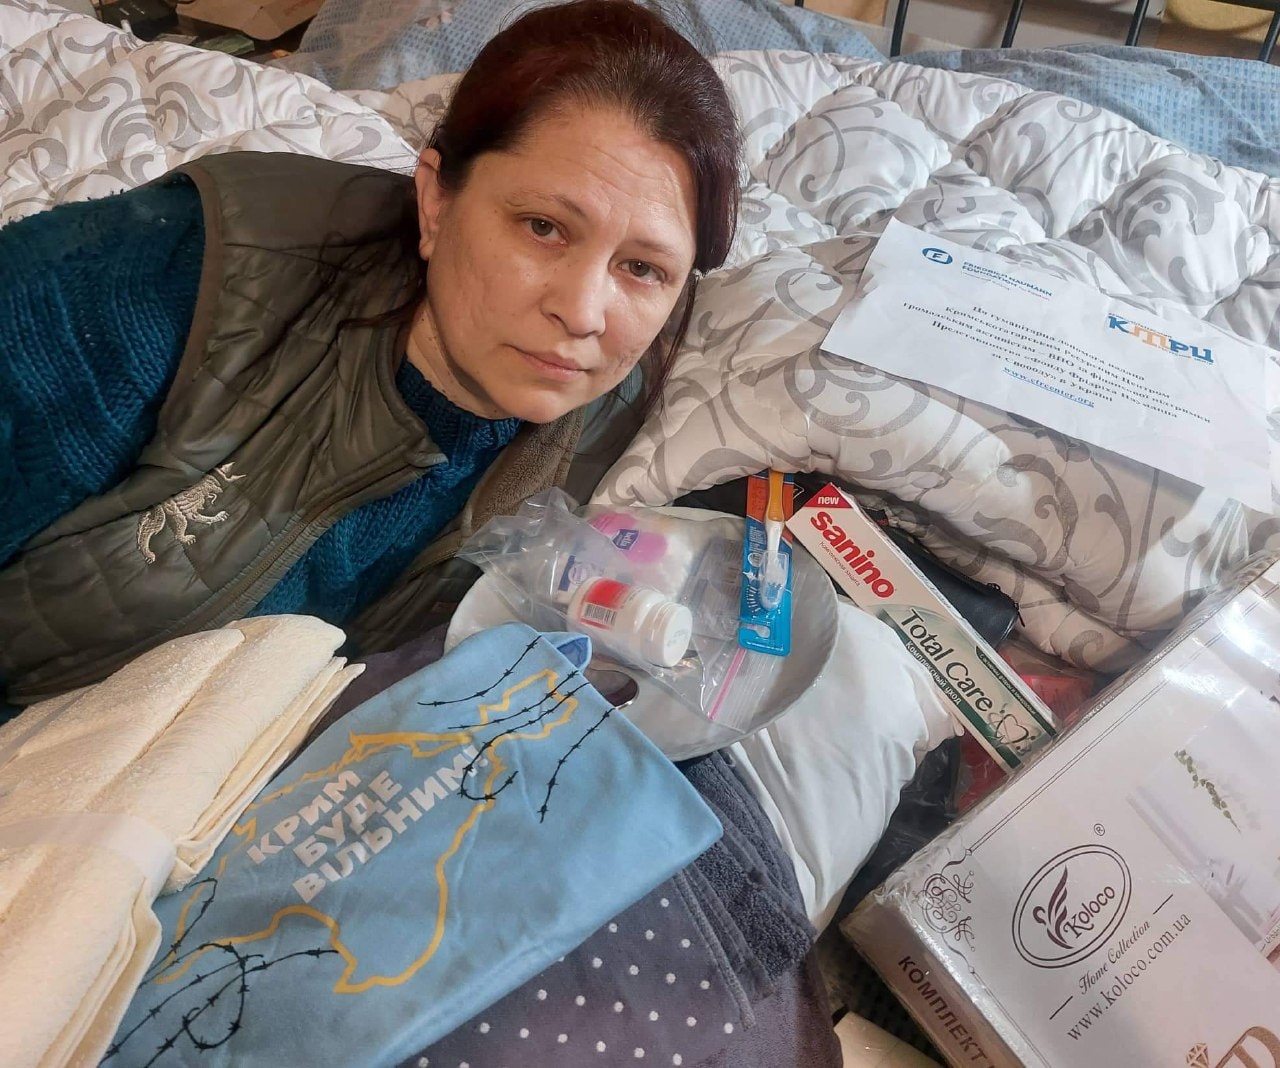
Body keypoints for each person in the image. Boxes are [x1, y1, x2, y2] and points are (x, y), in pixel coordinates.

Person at [0, 0, 741, 706]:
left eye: (642, 268)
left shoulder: (617, 423)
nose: (582, 314)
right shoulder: (164, 284)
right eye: (542, 227)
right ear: (436, 201)